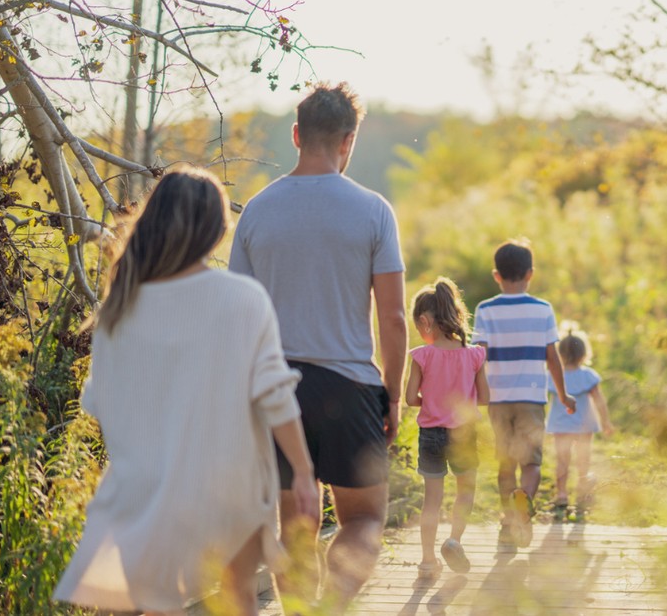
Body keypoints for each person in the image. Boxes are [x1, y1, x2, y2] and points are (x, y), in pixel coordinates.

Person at [52, 167, 320, 616]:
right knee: (238, 600)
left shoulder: (118, 308)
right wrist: (304, 472)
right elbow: (275, 395)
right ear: (216, 231)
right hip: (229, 489)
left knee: (153, 605)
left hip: (144, 491)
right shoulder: (243, 298)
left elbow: (99, 405)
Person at [228, 81, 407, 612]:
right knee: (365, 519)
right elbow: (393, 318)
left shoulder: (257, 210)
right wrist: (393, 396)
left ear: (296, 134)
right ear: (349, 140)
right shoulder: (374, 211)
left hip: (276, 390)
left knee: (296, 528)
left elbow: (240, 316)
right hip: (350, 388)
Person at [472, 239, 576, 551]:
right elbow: (552, 358)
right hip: (531, 398)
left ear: (496, 275)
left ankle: (508, 523)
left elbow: (478, 357)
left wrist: (473, 393)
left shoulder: (485, 309)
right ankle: (525, 500)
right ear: (530, 274)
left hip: (498, 398)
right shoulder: (543, 309)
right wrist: (563, 395)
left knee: (506, 463)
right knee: (531, 463)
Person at [404, 277, 490, 582]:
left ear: (424, 322)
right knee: (465, 489)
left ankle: (428, 562)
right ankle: (454, 540)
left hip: (430, 434)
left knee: (432, 499)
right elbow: (485, 397)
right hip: (463, 432)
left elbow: (410, 398)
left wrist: (430, 401)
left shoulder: (421, 355)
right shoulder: (474, 354)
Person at [546, 323, 614, 523]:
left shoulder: (553, 375)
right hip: (584, 426)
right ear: (584, 353)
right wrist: (606, 422)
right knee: (584, 459)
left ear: (560, 353)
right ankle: (582, 491)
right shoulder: (588, 376)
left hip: (560, 425)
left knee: (562, 460)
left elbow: (543, 399)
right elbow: (599, 401)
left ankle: (561, 494)